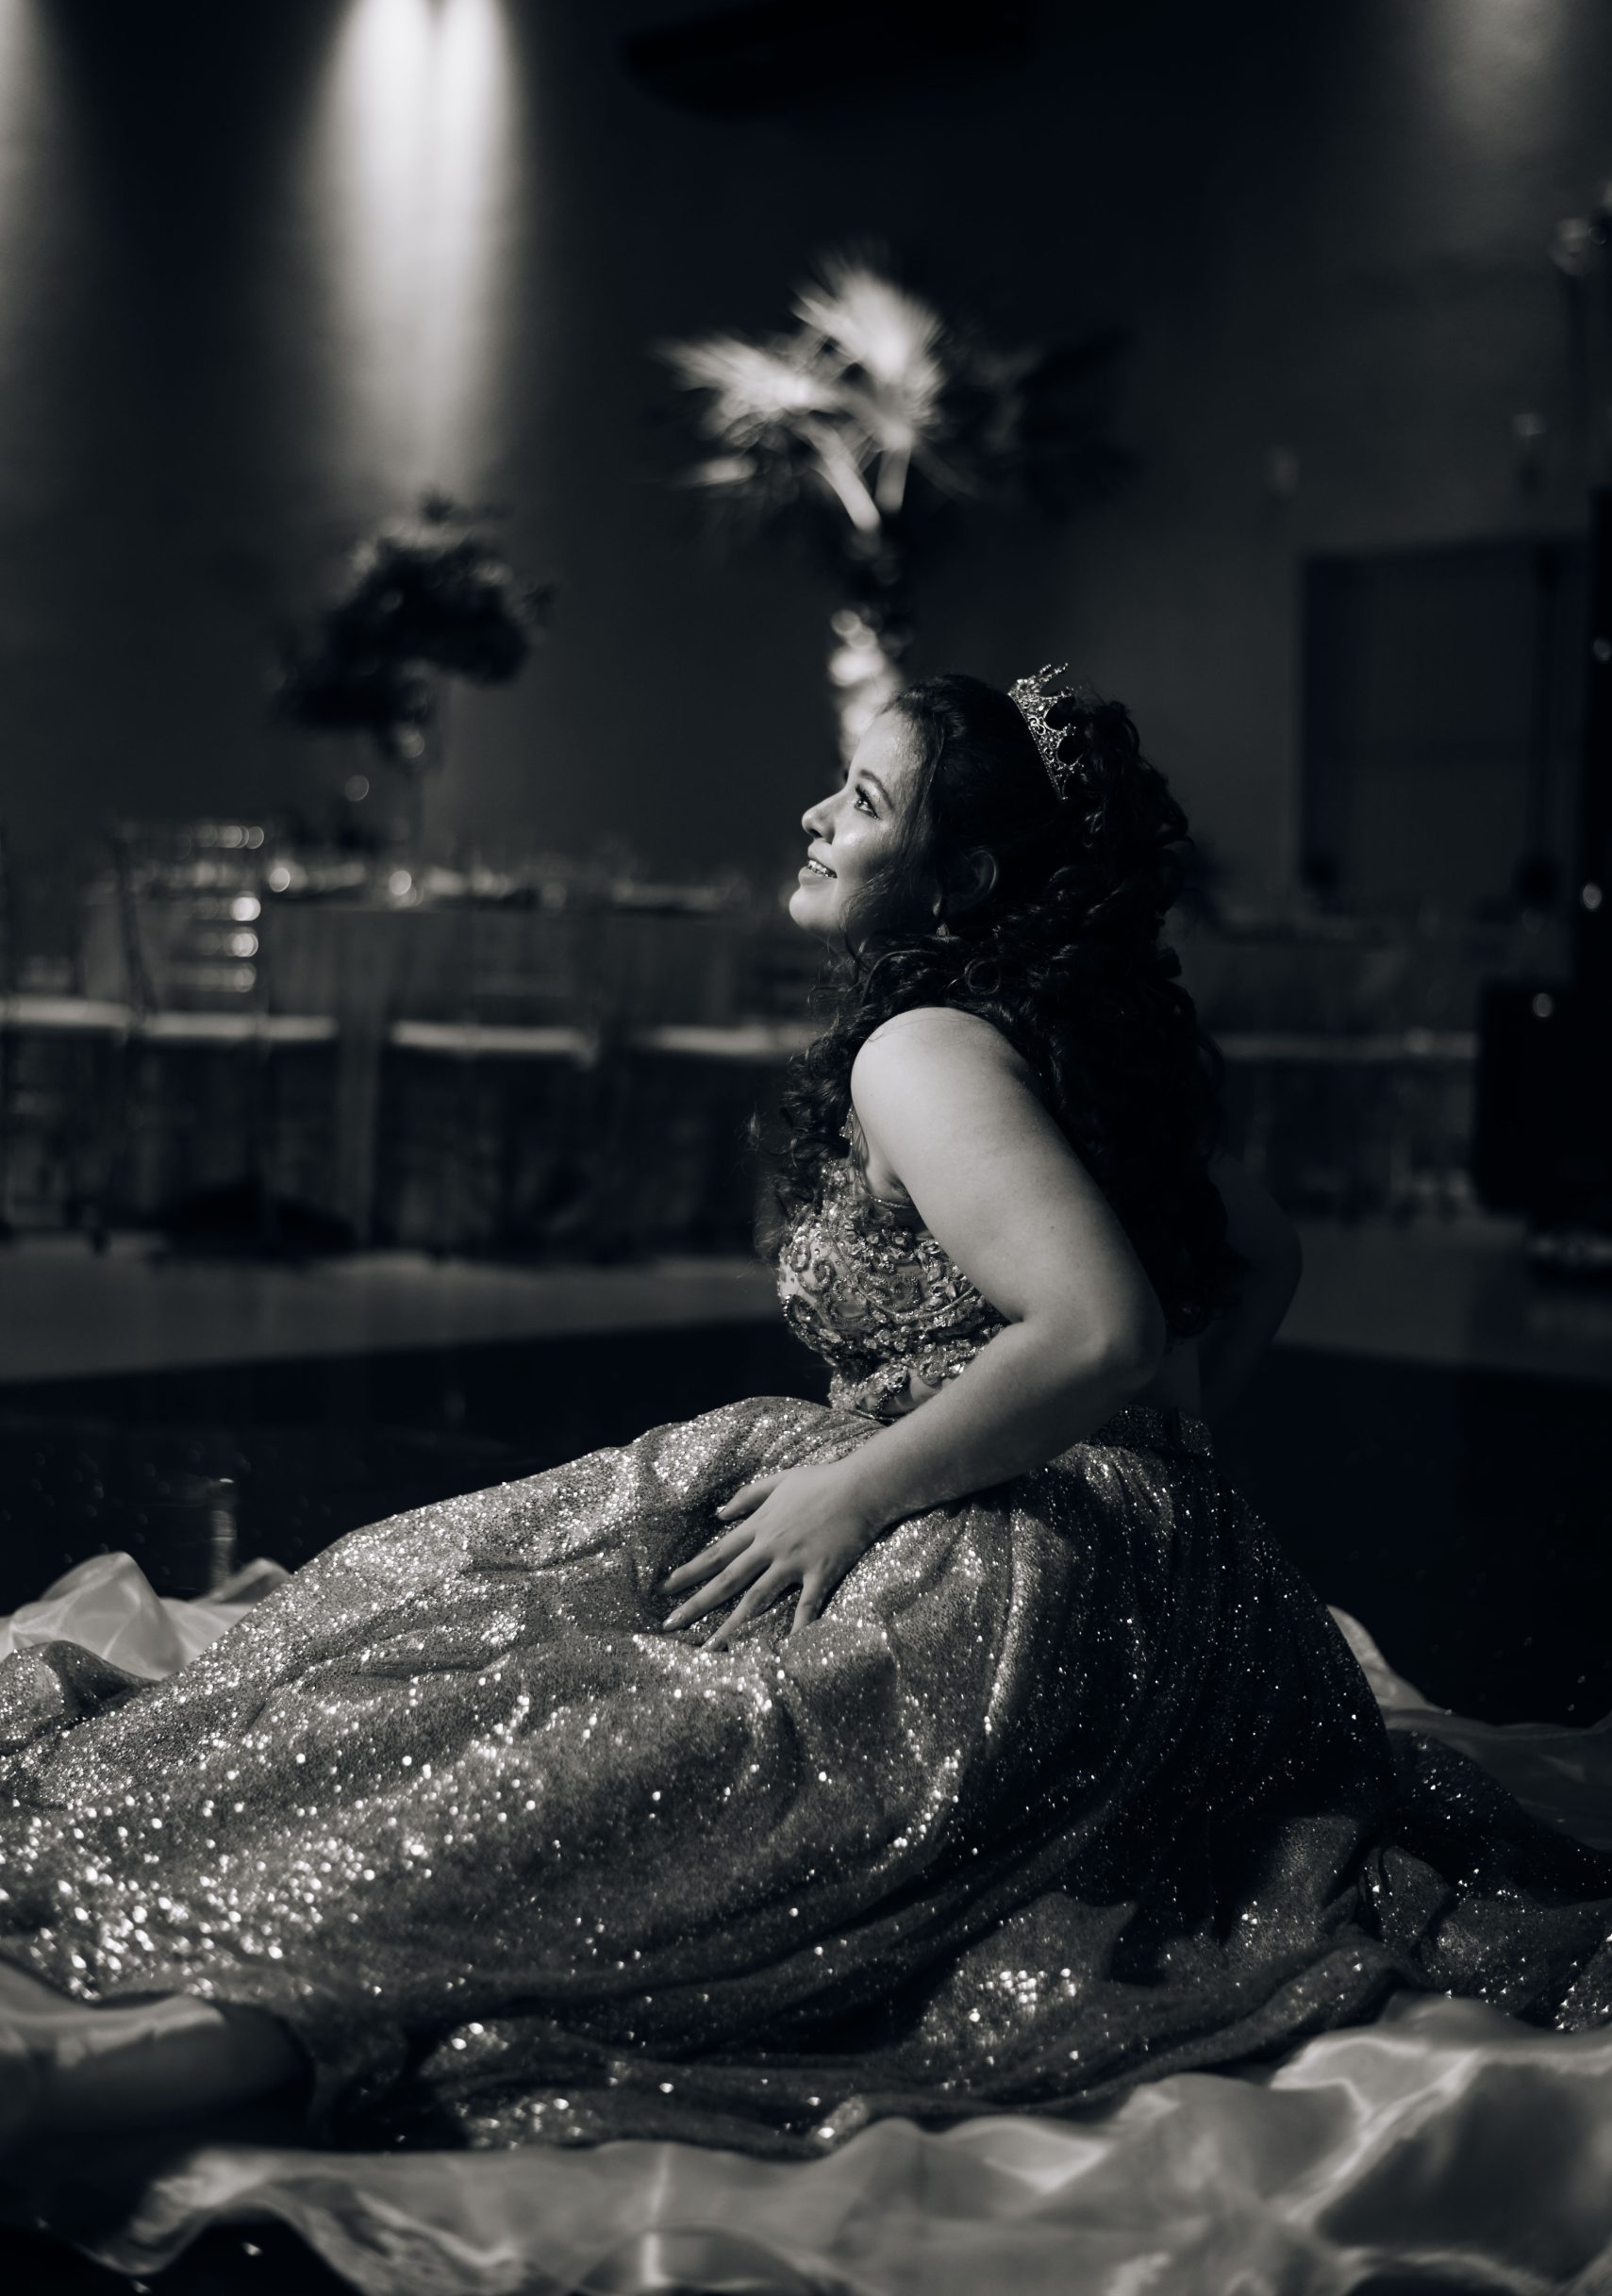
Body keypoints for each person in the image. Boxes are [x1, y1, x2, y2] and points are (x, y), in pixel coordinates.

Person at [2, 666, 1609, 2159]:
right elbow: (1261, 1259)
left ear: (961, 880)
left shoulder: (924, 1049)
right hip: (1199, 1598)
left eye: (862, 798)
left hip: (998, 1550)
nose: (814, 816)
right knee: (499, 1642)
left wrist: (865, 1491)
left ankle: (202, 2048)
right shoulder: (1073, 1039)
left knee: (620, 1773)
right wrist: (1170, 1484)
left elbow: (1101, 1325)